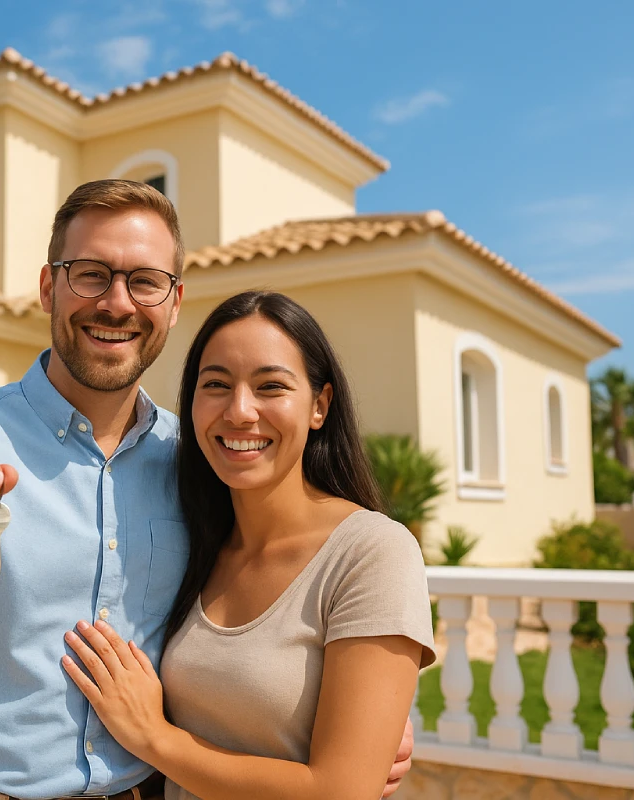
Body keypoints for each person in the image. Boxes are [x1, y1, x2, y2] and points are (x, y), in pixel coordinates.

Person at [0, 180, 414, 800]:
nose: (117, 302)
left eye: (144, 281)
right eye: (90, 273)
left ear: (172, 302)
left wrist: (357, 712)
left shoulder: (201, 461)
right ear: (48, 287)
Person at [60, 290, 436, 800]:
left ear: (319, 406)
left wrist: (153, 737)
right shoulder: (198, 539)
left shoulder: (370, 553)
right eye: (215, 384)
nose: (239, 411)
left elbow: (341, 791)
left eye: (271, 386)